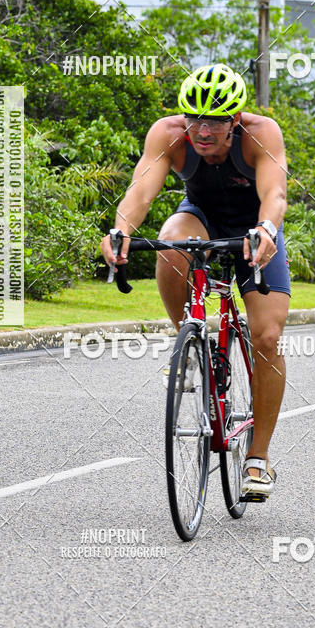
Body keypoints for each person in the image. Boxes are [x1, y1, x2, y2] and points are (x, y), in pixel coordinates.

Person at [100, 63, 290, 495]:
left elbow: (274, 194)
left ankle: (258, 458)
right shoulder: (168, 134)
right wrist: (121, 231)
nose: (202, 131)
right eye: (194, 119)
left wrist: (266, 231)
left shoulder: (262, 132)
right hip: (201, 219)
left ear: (236, 119)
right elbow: (140, 191)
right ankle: (188, 342)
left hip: (253, 228)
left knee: (267, 336)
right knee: (170, 242)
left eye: (215, 121)